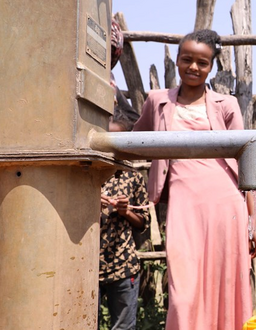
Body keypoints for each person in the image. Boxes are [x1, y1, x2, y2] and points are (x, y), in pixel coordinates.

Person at [133, 29, 256, 330]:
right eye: (186, 59)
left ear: (211, 67)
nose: (193, 67)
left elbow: (246, 161)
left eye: (202, 62)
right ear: (176, 60)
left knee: (227, 281)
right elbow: (132, 138)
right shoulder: (157, 101)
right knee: (182, 292)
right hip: (183, 204)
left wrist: (253, 218)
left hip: (225, 202)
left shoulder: (226, 105)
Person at [99, 112, 151, 330]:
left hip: (123, 265)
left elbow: (143, 223)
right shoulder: (87, 173)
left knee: (123, 327)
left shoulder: (133, 176)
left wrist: (126, 212)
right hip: (88, 265)